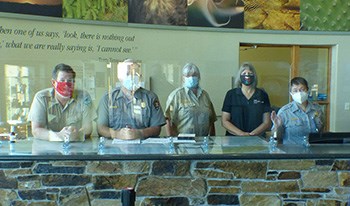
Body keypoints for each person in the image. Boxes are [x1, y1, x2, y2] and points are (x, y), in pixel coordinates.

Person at [96, 59, 166, 140]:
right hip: (114, 148)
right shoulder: (108, 99)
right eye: (127, 73)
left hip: (143, 148)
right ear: (120, 77)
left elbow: (156, 128)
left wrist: (140, 133)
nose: (132, 76)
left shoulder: (150, 98)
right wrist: (117, 134)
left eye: (135, 73)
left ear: (140, 76)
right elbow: (100, 128)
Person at [28, 63, 96, 141]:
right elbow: (36, 130)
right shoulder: (41, 98)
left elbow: (88, 128)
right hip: (48, 148)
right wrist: (58, 136)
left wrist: (78, 134)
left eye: (70, 81)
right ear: (54, 82)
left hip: (76, 147)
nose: (66, 84)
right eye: (62, 80)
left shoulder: (84, 97)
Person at [164, 63, 217, 136]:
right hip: (183, 143)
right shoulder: (176, 95)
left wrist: (212, 140)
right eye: (188, 75)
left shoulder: (205, 95)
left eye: (194, 75)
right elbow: (167, 119)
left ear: (199, 77)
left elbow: (211, 120)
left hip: (203, 142)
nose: (191, 78)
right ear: (183, 78)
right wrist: (172, 140)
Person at [221, 62, 271, 136]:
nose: (247, 76)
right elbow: (225, 120)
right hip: (234, 139)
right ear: (240, 76)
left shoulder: (262, 95)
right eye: (244, 74)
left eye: (250, 74)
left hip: (257, 139)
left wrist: (253, 134)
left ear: (254, 76)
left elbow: (267, 122)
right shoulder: (231, 94)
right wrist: (241, 134)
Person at [271, 77, 323, 144]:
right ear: (291, 93)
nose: (299, 93)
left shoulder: (317, 109)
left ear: (307, 90)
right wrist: (276, 127)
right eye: (295, 90)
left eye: (302, 90)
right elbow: (275, 138)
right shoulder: (284, 112)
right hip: (292, 152)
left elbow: (321, 132)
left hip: (313, 151)